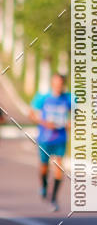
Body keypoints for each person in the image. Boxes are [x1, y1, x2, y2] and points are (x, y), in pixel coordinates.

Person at [30, 73, 71, 212]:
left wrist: (71, 123)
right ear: (52, 84)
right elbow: (31, 114)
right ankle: (44, 185)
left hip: (60, 138)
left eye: (61, 83)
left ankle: (54, 198)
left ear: (63, 84)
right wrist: (44, 123)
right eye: (56, 83)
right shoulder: (43, 98)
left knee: (59, 167)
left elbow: (80, 112)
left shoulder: (68, 98)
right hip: (45, 138)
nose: (58, 86)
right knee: (44, 166)